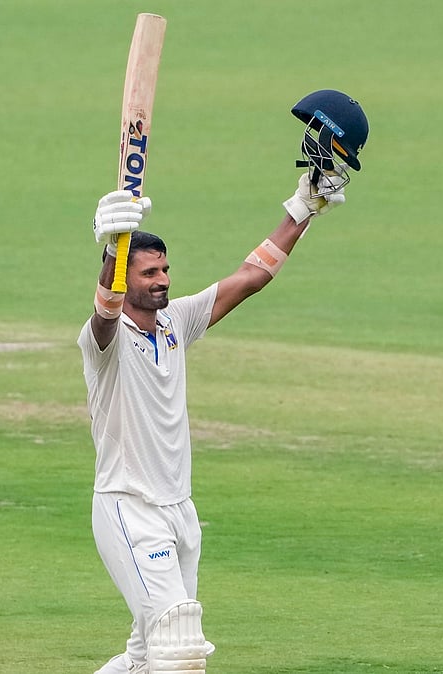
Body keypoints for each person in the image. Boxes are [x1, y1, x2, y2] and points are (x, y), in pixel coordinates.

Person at [80, 90, 367, 674]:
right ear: (127, 279)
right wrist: (110, 249)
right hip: (129, 508)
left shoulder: (177, 322)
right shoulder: (103, 343)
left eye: (165, 269)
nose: (162, 280)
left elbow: (251, 276)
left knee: (146, 654)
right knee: (179, 647)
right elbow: (104, 309)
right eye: (149, 272)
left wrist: (302, 208)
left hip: (180, 512)